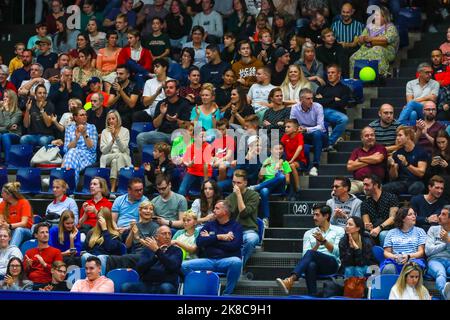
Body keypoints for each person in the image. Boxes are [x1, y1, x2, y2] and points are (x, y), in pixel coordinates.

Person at [276, 204, 345, 296]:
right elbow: (305, 256)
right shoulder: (308, 233)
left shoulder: (339, 230)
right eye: (313, 215)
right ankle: (312, 295)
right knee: (310, 264)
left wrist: (324, 241)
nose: (314, 218)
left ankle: (291, 280)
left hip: (332, 264)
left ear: (326, 216)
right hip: (316, 266)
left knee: (311, 254)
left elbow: (338, 252)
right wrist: (316, 245)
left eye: (317, 215)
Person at [181, 200, 243, 295]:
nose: (213, 210)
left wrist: (210, 239)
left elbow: (234, 246)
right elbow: (199, 242)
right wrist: (220, 237)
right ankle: (201, 286)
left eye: (217, 208)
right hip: (209, 260)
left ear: (225, 212)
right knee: (183, 266)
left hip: (226, 261)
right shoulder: (209, 225)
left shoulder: (236, 226)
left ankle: (227, 294)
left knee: (237, 262)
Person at [122, 225, 182, 294]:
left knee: (166, 288)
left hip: (166, 284)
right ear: (156, 237)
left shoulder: (176, 250)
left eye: (169, 233)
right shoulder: (148, 250)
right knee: (126, 287)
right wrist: (156, 255)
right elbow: (140, 268)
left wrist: (157, 251)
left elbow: (172, 267)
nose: (167, 236)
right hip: (147, 284)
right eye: (164, 233)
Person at [136, 79, 192, 151]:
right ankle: (146, 161)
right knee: (140, 137)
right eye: (166, 88)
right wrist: (162, 114)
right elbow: (155, 125)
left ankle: (173, 160)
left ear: (177, 90)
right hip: (162, 134)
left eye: (171, 88)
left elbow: (187, 125)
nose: (168, 90)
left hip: (178, 134)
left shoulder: (185, 103)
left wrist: (175, 120)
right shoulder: (161, 103)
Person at [349, 6, 399, 78]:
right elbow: (361, 39)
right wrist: (362, 39)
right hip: (368, 49)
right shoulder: (369, 27)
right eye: (374, 15)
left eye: (377, 15)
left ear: (384, 17)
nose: (375, 17)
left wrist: (371, 39)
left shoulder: (390, 27)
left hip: (387, 50)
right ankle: (354, 79)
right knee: (353, 57)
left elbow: (386, 39)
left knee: (377, 49)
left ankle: (382, 75)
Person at [290, 87, 327, 177]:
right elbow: (292, 124)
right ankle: (304, 167)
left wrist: (306, 129)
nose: (311, 101)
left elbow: (321, 127)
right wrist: (298, 129)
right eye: (308, 98)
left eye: (312, 98)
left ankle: (315, 165)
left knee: (317, 134)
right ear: (301, 100)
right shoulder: (294, 108)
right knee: (301, 143)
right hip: (303, 134)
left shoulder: (318, 106)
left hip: (320, 136)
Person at [225, 169, 260, 265]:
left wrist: (239, 195)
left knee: (251, 240)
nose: (235, 186)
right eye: (233, 182)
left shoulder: (254, 195)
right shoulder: (229, 198)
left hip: (249, 230)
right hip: (233, 231)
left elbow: (244, 213)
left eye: (238, 183)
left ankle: (238, 265)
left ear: (245, 183)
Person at [252, 144, 291, 226]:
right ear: (271, 150)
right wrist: (264, 166)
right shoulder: (266, 161)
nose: (279, 151)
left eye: (281, 148)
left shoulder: (285, 163)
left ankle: (257, 187)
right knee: (264, 191)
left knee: (281, 176)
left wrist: (282, 171)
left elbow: (287, 181)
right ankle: (266, 219)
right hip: (268, 187)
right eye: (276, 149)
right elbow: (260, 177)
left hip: (280, 187)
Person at [381, 207, 427, 275]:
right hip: (395, 260)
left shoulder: (420, 231)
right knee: (388, 269)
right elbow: (386, 252)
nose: (414, 216)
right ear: (402, 218)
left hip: (413, 260)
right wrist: (395, 257)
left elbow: (421, 252)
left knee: (412, 270)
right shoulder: (391, 232)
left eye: (414, 214)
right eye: (410, 214)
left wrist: (408, 256)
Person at [315, 64, 350, 152]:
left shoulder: (345, 89)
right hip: (324, 112)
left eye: (333, 72)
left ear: (338, 74)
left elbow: (343, 103)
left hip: (339, 112)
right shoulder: (321, 88)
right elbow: (317, 103)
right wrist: (333, 99)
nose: (330, 74)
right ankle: (329, 143)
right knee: (343, 119)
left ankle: (329, 143)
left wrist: (325, 100)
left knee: (344, 119)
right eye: (328, 73)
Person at [384, 126, 428, 196]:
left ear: (408, 136)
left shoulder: (420, 151)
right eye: (397, 136)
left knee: (417, 187)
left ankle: (413, 206)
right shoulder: (397, 153)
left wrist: (406, 164)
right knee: (385, 188)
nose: (397, 138)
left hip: (416, 181)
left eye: (400, 135)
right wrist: (392, 166)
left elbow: (421, 173)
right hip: (401, 182)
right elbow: (393, 177)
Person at [62, 108, 98, 185]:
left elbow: (93, 149)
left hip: (88, 156)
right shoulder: (69, 128)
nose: (85, 116)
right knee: (71, 153)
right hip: (72, 156)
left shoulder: (92, 127)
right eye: (82, 115)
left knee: (70, 155)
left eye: (85, 115)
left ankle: (67, 185)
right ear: (75, 117)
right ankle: (70, 185)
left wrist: (84, 134)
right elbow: (65, 149)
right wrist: (76, 138)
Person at [82, 207, 123, 275]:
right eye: (98, 218)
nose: (99, 221)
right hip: (93, 258)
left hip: (108, 260)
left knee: (101, 257)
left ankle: (101, 280)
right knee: (85, 256)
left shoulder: (115, 234)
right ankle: (87, 279)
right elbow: (85, 249)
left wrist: (105, 229)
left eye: (102, 219)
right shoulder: (91, 232)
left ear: (107, 220)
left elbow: (110, 248)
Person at [347, 126, 387, 194]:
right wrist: (372, 159)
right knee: (341, 191)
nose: (370, 137)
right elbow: (350, 166)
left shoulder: (380, 148)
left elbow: (377, 159)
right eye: (367, 136)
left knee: (372, 192)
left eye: (372, 135)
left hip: (374, 183)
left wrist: (360, 159)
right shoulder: (356, 151)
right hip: (357, 182)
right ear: (362, 138)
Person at [361, 175, 399, 246]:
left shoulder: (391, 198)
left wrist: (379, 228)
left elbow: (393, 218)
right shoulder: (365, 203)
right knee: (365, 234)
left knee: (383, 234)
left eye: (367, 185)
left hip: (389, 229)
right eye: (364, 185)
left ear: (375, 185)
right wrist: (368, 226)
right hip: (373, 230)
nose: (364, 188)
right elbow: (366, 222)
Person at [23, 222, 63, 289]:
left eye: (47, 232)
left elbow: (59, 272)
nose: (45, 235)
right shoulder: (29, 252)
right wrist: (27, 266)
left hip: (48, 285)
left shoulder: (56, 252)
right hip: (31, 284)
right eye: (42, 232)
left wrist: (44, 264)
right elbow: (23, 274)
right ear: (36, 235)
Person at [100, 110, 131, 193]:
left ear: (118, 119)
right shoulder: (104, 132)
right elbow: (103, 150)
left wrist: (116, 136)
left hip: (120, 156)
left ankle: (113, 190)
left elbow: (123, 149)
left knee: (115, 161)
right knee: (119, 156)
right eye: (109, 119)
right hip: (108, 156)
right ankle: (121, 182)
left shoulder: (125, 131)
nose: (111, 121)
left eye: (113, 118)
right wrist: (112, 141)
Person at [425, 206, 450, 300]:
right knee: (440, 273)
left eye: (443, 214)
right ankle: (445, 294)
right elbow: (428, 251)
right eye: (440, 213)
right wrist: (445, 243)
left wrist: (448, 240)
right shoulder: (433, 229)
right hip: (435, 260)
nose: (439, 216)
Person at [106, 64, 140, 129]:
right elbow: (108, 104)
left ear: (128, 75)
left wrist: (120, 91)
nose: (118, 76)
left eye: (121, 74)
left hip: (129, 113)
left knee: (123, 119)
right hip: (116, 111)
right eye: (117, 73)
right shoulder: (114, 86)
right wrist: (117, 96)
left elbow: (131, 104)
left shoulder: (134, 86)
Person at [0, 182, 32, 248]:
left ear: (9, 195)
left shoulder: (24, 202)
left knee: (18, 230)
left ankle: (11, 252)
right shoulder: (3, 204)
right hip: (9, 230)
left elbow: (24, 223)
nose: (1, 194)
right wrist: (2, 224)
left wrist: (9, 226)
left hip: (25, 231)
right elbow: (1, 220)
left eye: (3, 193)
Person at [281, 119, 307, 198]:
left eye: (288, 127)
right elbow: (280, 147)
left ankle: (297, 187)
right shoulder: (285, 136)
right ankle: (287, 190)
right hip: (287, 161)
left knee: (291, 165)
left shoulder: (299, 136)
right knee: (287, 167)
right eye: (285, 127)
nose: (286, 129)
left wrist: (292, 160)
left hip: (300, 161)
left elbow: (300, 147)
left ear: (295, 129)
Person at [0, 89, 22, 164]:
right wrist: (8, 128)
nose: (4, 99)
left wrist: (6, 110)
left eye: (7, 97)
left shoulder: (18, 112)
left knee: (5, 136)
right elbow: (8, 126)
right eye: (4, 97)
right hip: (4, 133)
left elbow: (7, 124)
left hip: (15, 135)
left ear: (12, 99)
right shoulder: (0, 110)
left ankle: (8, 162)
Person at [428, 130, 450, 201]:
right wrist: (431, 166)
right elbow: (428, 175)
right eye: (438, 143)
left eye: (443, 142)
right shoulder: (434, 153)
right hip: (437, 180)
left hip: (447, 180)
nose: (441, 145)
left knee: (445, 179)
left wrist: (447, 166)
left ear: (448, 141)